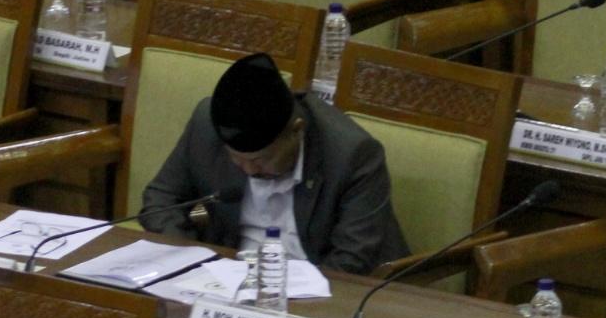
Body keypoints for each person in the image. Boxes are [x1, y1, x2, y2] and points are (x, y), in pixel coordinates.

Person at [140, 53, 411, 275]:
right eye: (236, 158)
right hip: (231, 279)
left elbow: (351, 261)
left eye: (260, 160)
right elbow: (160, 199)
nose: (249, 170)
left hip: (322, 285)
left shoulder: (353, 155)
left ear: (297, 130)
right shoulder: (206, 125)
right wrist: (190, 259)